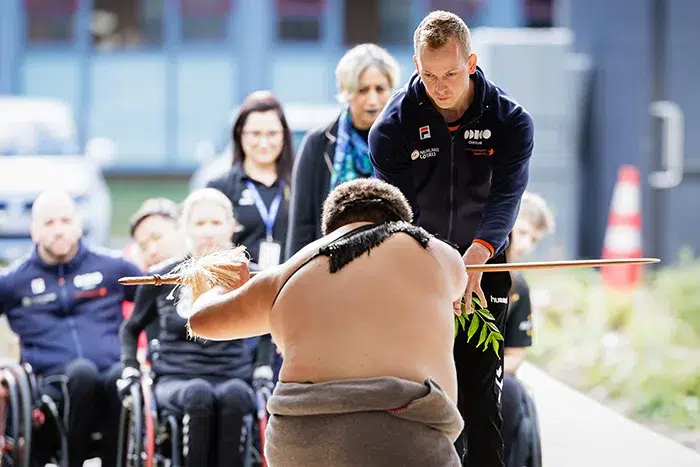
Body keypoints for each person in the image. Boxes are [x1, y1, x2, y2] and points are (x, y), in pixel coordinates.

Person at [185, 178, 467, 467]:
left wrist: (221, 282)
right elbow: (458, 287)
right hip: (404, 432)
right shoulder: (435, 252)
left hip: (300, 436)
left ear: (329, 231)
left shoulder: (290, 270)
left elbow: (203, 320)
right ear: (402, 221)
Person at [367, 10, 535, 467]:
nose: (439, 87)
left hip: (487, 268)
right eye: (427, 75)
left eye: (451, 74)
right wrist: (437, 266)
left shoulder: (511, 121)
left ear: (472, 63)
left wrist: (477, 258)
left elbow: (507, 197)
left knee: (481, 395)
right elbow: (399, 213)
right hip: (418, 268)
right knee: (422, 394)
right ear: (415, 67)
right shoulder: (391, 128)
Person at [118, 188, 275, 467]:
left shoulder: (250, 276)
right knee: (199, 392)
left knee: (237, 395)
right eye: (200, 223)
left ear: (231, 227)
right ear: (185, 228)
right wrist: (130, 365)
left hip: (233, 375)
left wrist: (263, 366)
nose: (208, 232)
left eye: (215, 223)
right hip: (176, 377)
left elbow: (268, 327)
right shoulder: (165, 276)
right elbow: (131, 329)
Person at [0, 189, 142, 467]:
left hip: (111, 381)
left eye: (65, 221)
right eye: (49, 223)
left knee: (119, 377)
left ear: (79, 225)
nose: (58, 230)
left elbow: (161, 300)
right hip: (50, 389)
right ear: (34, 232)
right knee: (82, 372)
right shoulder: (14, 282)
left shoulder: (112, 268)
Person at [285, 43, 401, 260]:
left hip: (392, 264)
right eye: (363, 90)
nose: (372, 100)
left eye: (380, 89)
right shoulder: (318, 143)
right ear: (347, 93)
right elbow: (302, 224)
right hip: (330, 267)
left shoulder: (406, 139)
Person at [207, 90, 294, 271]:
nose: (263, 143)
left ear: (283, 135)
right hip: (239, 289)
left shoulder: (300, 185)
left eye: (272, 134)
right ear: (240, 133)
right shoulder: (220, 188)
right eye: (255, 134)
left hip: (292, 288)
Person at [500, 192, 554, 467]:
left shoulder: (519, 287)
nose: (526, 244)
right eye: (522, 232)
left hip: (493, 376)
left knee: (510, 392)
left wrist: (487, 371)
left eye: (534, 239)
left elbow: (515, 355)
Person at [122, 197, 185, 362]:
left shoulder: (212, 270)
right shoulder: (143, 287)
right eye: (143, 246)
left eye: (157, 237)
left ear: (181, 228)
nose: (152, 251)